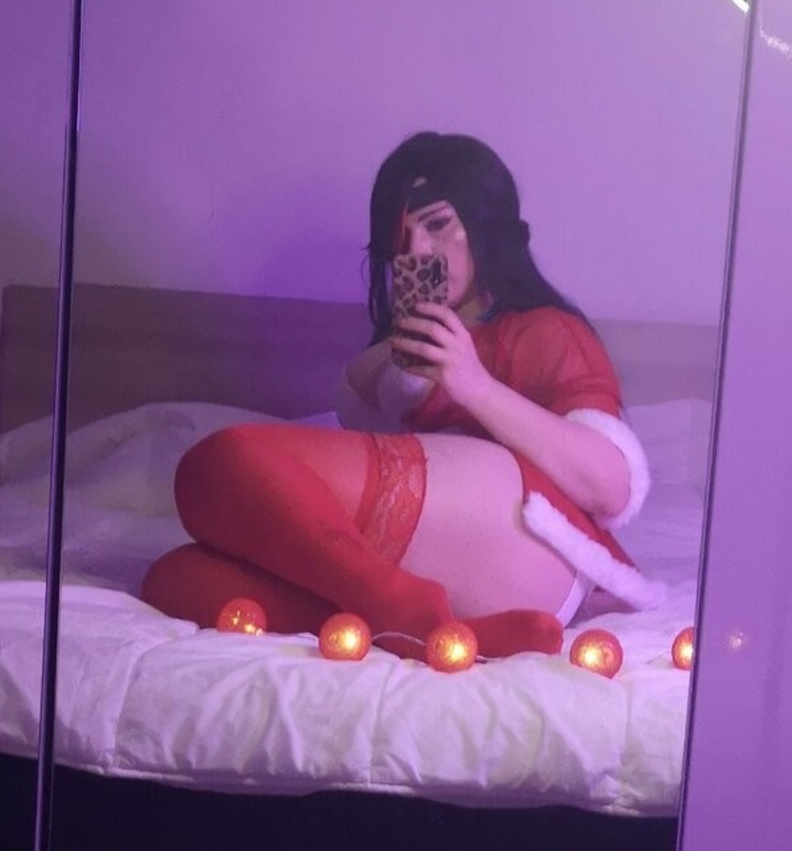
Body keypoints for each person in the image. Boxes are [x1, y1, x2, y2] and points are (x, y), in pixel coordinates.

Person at [141, 132, 664, 659]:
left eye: (438, 225)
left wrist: (475, 386)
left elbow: (613, 487)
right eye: (401, 237)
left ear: (486, 224)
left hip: (534, 541)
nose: (416, 252)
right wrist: (394, 365)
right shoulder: (396, 359)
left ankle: (396, 607)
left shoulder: (544, 330)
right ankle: (437, 629)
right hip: (472, 573)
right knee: (178, 577)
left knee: (219, 461)